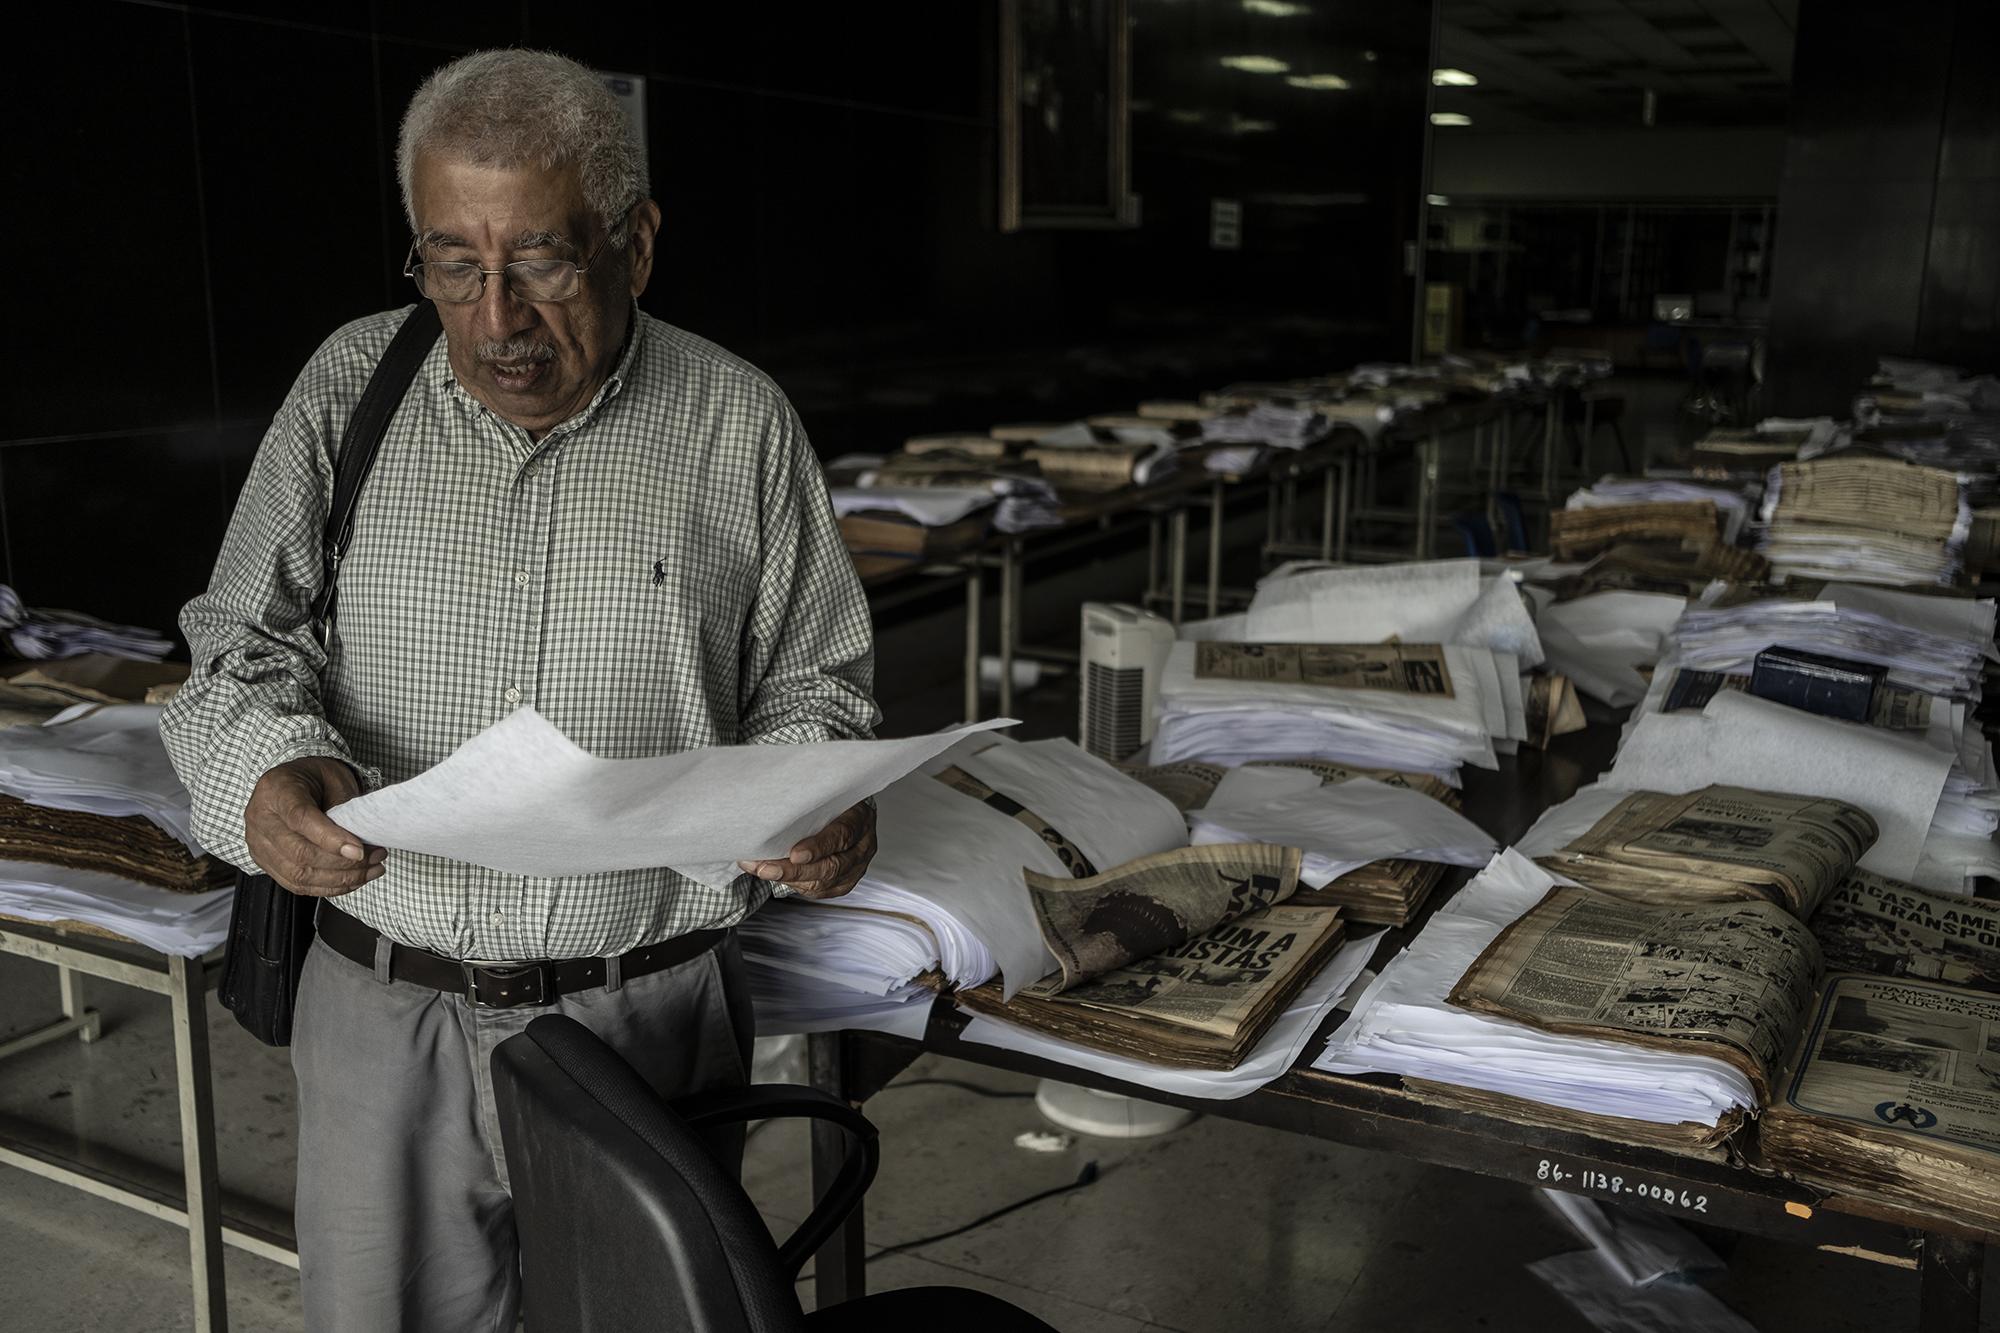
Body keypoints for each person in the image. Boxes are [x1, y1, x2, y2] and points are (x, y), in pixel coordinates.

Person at [160, 48, 879, 1331]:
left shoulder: (739, 424)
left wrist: (812, 802)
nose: (495, 318)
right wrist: (264, 776)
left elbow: (813, 683)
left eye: (540, 261)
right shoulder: (350, 389)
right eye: (451, 263)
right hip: (391, 1007)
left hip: (647, 1011)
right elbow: (236, 644)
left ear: (634, 245)